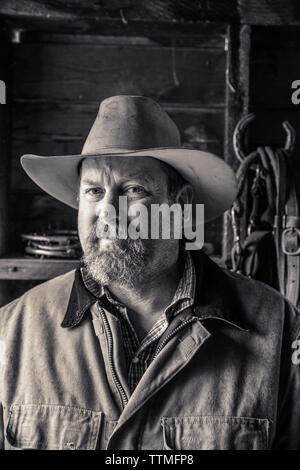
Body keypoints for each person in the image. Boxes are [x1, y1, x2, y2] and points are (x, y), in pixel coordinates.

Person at [0, 95, 299, 450]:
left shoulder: (277, 326)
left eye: (133, 190)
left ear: (182, 205)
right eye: (94, 191)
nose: (108, 211)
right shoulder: (13, 330)